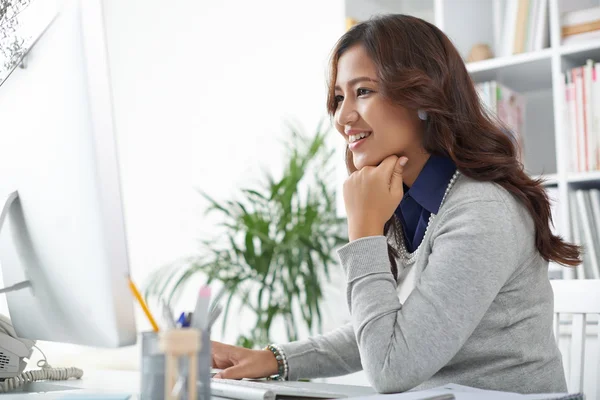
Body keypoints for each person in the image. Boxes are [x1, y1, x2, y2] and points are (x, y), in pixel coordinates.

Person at [210, 14, 580, 394]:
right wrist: (274, 360)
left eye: (363, 92)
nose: (342, 117)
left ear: (423, 97)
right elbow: (390, 331)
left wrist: (364, 230)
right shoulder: (405, 201)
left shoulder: (482, 210)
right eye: (339, 97)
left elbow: (391, 367)